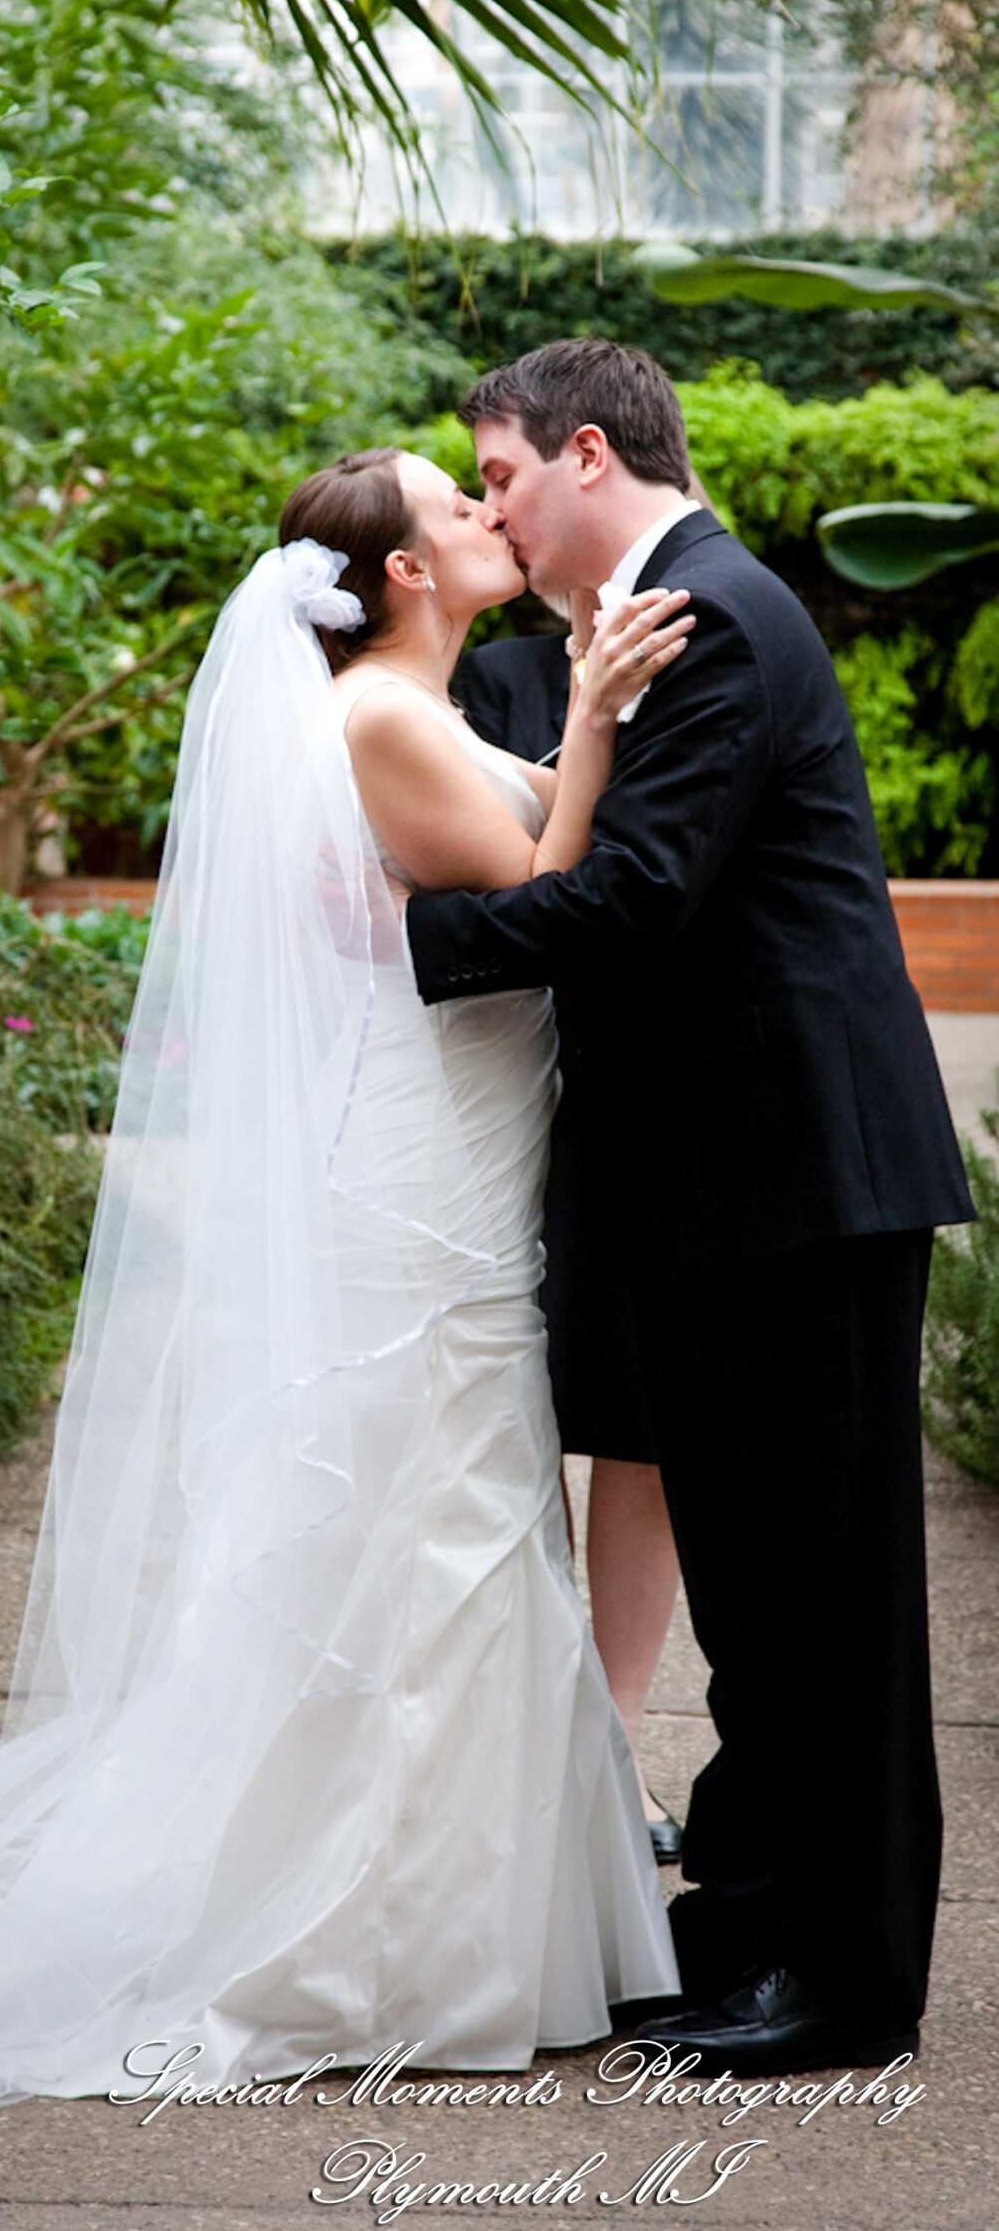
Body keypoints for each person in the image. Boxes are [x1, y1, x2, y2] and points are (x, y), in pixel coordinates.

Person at [0, 445, 683, 2160]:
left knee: (455, 1508)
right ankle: (378, 1945)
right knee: (441, 1508)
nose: (489, 519)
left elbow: (508, 830)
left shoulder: (404, 705)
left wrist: (567, 718)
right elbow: (544, 887)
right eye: (455, 508)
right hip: (425, 1165)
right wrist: (601, 714)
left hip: (439, 1133)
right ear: (401, 571)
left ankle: (456, 1919)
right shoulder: (386, 723)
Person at [406, 337, 976, 2079]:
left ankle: (845, 1984)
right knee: (757, 1589)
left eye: (498, 473)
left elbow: (637, 896)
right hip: (737, 1185)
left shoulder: (708, 616)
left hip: (793, 1181)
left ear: (587, 453)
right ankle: (742, 1927)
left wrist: (401, 945)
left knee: (824, 1602)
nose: (490, 505)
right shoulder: (654, 620)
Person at [455, 611, 683, 1863]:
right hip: (501, 1090)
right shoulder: (484, 679)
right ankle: (518, 1737)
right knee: (503, 1408)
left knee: (635, 1418)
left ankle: (616, 1741)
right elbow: (509, 884)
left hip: (635, 1099)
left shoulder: (713, 646)